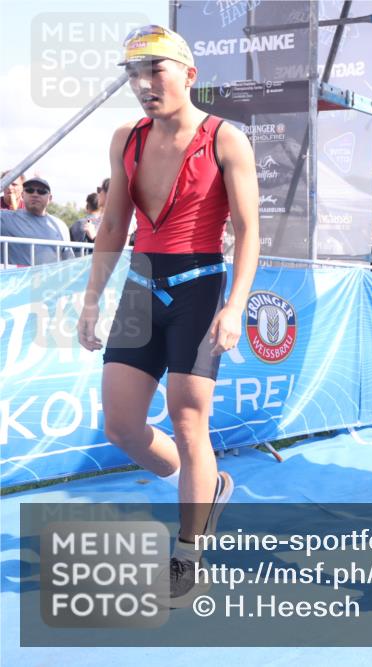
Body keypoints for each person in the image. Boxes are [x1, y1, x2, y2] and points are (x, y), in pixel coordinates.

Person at [75, 25, 259, 607]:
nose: (144, 85)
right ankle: (204, 484)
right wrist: (90, 298)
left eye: (156, 71)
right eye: (134, 74)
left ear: (188, 74)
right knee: (122, 427)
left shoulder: (225, 138)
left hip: (201, 289)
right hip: (140, 288)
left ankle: (188, 553)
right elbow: (112, 226)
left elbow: (252, 233)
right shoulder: (125, 139)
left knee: (188, 423)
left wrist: (235, 307)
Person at [0, 176, 71, 265]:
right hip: (15, 278)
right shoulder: (5, 218)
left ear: (50, 198)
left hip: (48, 278)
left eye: (41, 191)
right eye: (30, 190)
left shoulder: (60, 226)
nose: (35, 194)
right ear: (22, 195)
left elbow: (68, 260)